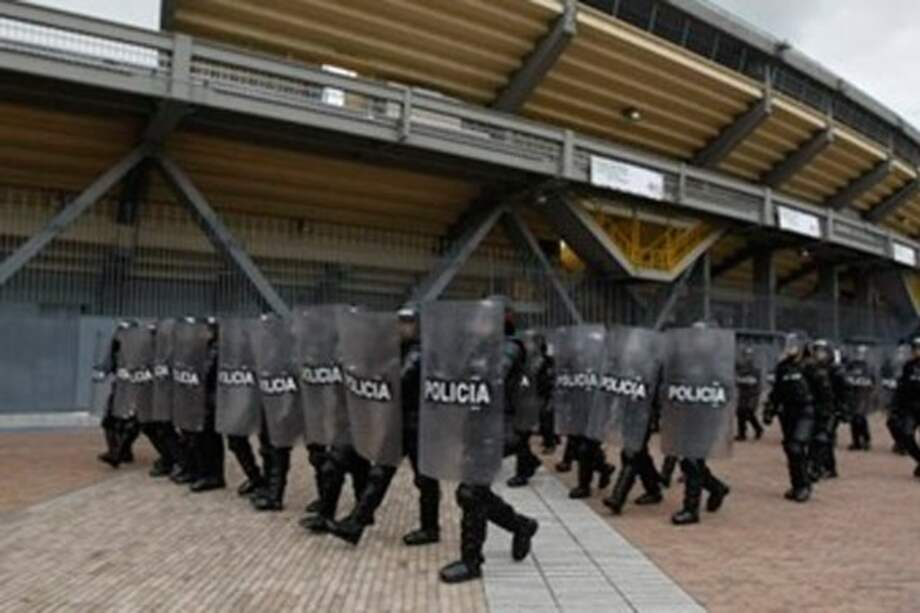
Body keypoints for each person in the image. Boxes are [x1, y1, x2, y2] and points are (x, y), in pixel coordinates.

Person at [439, 300, 538, 584]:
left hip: (499, 429)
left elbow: (494, 374)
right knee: (472, 493)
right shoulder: (481, 348)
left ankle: (472, 562)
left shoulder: (511, 346)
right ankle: (521, 525)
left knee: (471, 492)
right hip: (478, 426)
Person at [327, 305, 441, 546]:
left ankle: (430, 528)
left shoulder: (421, 351)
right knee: (380, 473)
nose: (402, 326)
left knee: (425, 479)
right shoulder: (398, 349)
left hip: (419, 424)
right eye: (399, 322)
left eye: (407, 322)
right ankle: (356, 524)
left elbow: (400, 378)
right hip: (399, 422)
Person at [893, 337, 920, 479]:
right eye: (915, 348)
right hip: (911, 408)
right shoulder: (908, 366)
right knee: (906, 435)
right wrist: (897, 407)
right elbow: (902, 388)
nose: (917, 351)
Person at [844, 345, 875, 451]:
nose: (859, 355)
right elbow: (846, 378)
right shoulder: (850, 366)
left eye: (862, 353)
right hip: (852, 396)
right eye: (857, 353)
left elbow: (873, 382)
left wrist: (871, 394)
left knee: (860, 417)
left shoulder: (869, 367)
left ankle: (866, 439)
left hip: (863, 396)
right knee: (853, 419)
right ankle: (856, 442)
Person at [735, 346, 764, 441]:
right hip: (743, 393)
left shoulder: (755, 368)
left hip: (752, 394)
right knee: (740, 412)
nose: (747, 357)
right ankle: (741, 434)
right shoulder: (740, 366)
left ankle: (758, 429)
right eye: (745, 355)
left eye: (749, 355)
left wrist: (739, 380)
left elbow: (751, 381)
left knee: (749, 411)